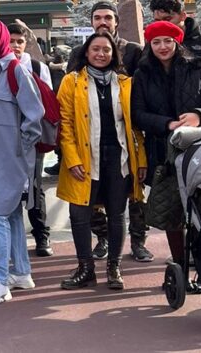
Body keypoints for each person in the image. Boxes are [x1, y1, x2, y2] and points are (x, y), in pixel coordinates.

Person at [56, 32, 147, 291]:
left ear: (113, 54)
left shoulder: (126, 83)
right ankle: (85, 268)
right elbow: (65, 124)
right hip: (84, 158)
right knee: (79, 214)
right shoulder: (71, 82)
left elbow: (136, 128)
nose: (100, 54)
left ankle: (114, 268)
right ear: (86, 52)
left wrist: (140, 161)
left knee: (117, 214)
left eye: (106, 50)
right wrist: (71, 159)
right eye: (95, 49)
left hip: (118, 158)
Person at [131, 20, 201, 271]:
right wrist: (166, 124)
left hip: (199, 149)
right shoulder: (142, 74)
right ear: (149, 45)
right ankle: (180, 262)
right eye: (156, 42)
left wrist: (198, 115)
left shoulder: (199, 68)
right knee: (172, 211)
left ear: (177, 42)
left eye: (168, 41)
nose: (163, 47)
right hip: (162, 151)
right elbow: (137, 114)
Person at [0, 18, 45, 306]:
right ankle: (22, 272)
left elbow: (34, 116)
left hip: (9, 161)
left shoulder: (15, 69)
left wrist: (19, 152)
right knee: (10, 215)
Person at [5, 23, 56, 258]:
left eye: (19, 42)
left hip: (32, 137)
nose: (15, 46)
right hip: (4, 138)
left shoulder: (37, 67)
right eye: (11, 41)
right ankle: (8, 241)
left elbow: (47, 103)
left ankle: (41, 235)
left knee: (35, 188)